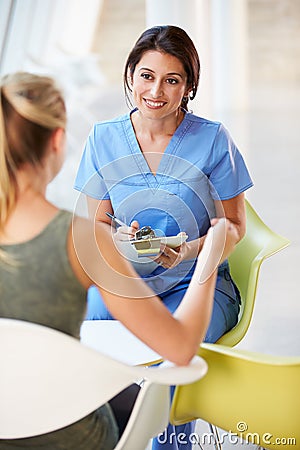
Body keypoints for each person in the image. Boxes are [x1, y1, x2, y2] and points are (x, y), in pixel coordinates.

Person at [0, 72, 238, 450]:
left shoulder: (211, 138)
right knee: (147, 396)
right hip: (72, 436)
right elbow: (179, 348)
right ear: (58, 142)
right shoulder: (80, 238)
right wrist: (209, 254)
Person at [74, 25, 253, 449]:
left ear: (189, 86)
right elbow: (96, 224)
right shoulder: (103, 138)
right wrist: (120, 243)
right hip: (126, 280)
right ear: (131, 76)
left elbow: (235, 227)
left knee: (174, 359)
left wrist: (190, 250)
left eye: (172, 80)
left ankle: (168, 444)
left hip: (196, 283)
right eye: (147, 75)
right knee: (87, 340)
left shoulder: (212, 140)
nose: (156, 90)